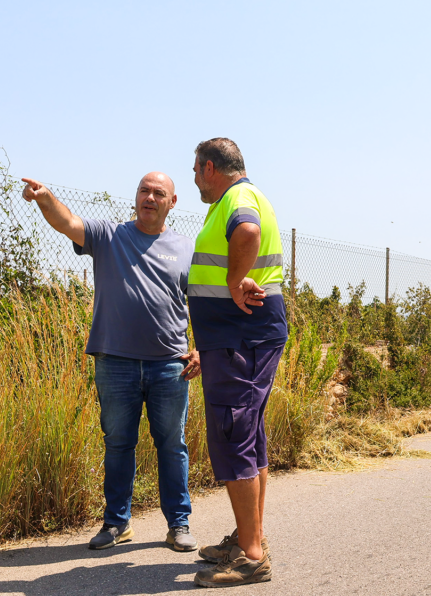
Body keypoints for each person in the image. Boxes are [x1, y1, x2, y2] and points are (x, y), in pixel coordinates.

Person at [21, 172, 202, 552]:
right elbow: (67, 223)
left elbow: (200, 305)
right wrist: (45, 198)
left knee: (172, 445)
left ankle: (178, 525)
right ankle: (117, 523)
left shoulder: (187, 248)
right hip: (115, 362)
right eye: (143, 191)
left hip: (170, 364)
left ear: (172, 202)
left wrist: (201, 348)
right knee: (118, 443)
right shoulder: (109, 235)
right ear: (136, 197)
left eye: (158, 193)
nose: (149, 197)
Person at [187, 138, 285, 588]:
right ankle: (251, 537)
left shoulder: (238, 199)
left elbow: (246, 234)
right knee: (249, 434)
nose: (193, 180)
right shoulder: (240, 197)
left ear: (210, 167)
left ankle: (250, 557)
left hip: (240, 337)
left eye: (195, 171)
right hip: (237, 337)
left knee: (233, 434)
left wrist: (231, 281)